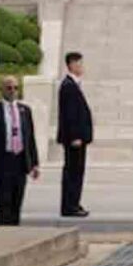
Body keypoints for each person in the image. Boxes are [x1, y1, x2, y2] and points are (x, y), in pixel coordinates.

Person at [0, 76, 39, 226]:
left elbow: (30, 137)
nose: (13, 91)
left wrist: (34, 163)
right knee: (4, 201)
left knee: (17, 200)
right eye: (9, 88)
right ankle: (4, 230)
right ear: (2, 89)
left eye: (15, 88)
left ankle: (15, 228)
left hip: (20, 160)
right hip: (3, 160)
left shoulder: (25, 110)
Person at [57, 51, 93, 218]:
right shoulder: (68, 86)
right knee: (73, 171)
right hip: (74, 140)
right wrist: (75, 137)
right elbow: (69, 115)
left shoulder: (73, 84)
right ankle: (69, 206)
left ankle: (74, 203)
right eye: (79, 63)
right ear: (71, 65)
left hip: (78, 138)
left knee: (77, 171)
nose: (81, 67)